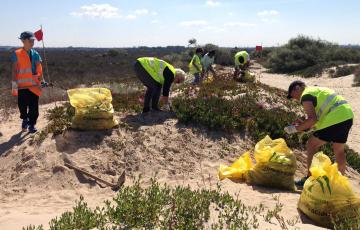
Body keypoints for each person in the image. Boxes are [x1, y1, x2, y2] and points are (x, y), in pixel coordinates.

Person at [285, 80, 354, 187]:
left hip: (335, 118)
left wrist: (295, 129)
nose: (294, 99)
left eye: (292, 95)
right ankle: (340, 183)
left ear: (297, 88)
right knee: (339, 150)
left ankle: (310, 178)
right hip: (347, 116)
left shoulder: (305, 95)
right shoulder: (317, 91)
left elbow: (312, 119)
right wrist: (304, 127)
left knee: (311, 144)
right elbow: (318, 121)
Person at [11, 31, 44, 133]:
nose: (32, 42)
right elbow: (14, 71)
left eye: (33, 40)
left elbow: (40, 70)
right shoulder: (16, 54)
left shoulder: (36, 54)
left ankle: (32, 125)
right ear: (23, 41)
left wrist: (42, 82)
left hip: (34, 86)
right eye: (30, 40)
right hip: (22, 87)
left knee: (34, 108)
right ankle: (25, 119)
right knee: (22, 106)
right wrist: (14, 86)